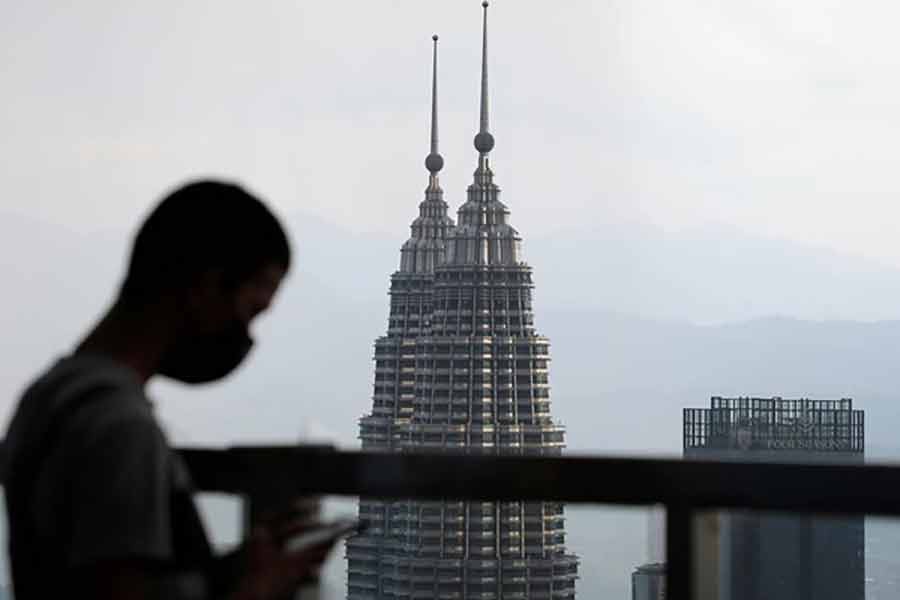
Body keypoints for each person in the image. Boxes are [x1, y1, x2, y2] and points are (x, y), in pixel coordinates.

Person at [2, 180, 337, 599]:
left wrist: (227, 573)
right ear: (206, 288)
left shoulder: (47, 398)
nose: (245, 336)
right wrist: (256, 590)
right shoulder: (121, 430)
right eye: (250, 311)